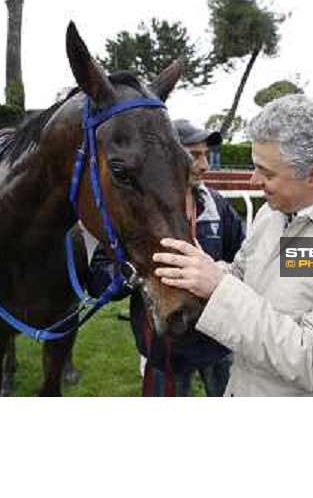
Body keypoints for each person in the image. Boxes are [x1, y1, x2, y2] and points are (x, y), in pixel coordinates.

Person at [152, 95, 313, 397]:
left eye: (267, 172)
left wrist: (218, 287)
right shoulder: (272, 213)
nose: (253, 180)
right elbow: (241, 280)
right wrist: (195, 269)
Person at [88, 119, 245, 397]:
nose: (205, 165)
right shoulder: (135, 211)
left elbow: (245, 263)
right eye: (195, 155)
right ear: (168, 157)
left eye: (206, 155)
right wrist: (131, 272)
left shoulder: (218, 206)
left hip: (219, 342)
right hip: (165, 351)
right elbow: (98, 281)